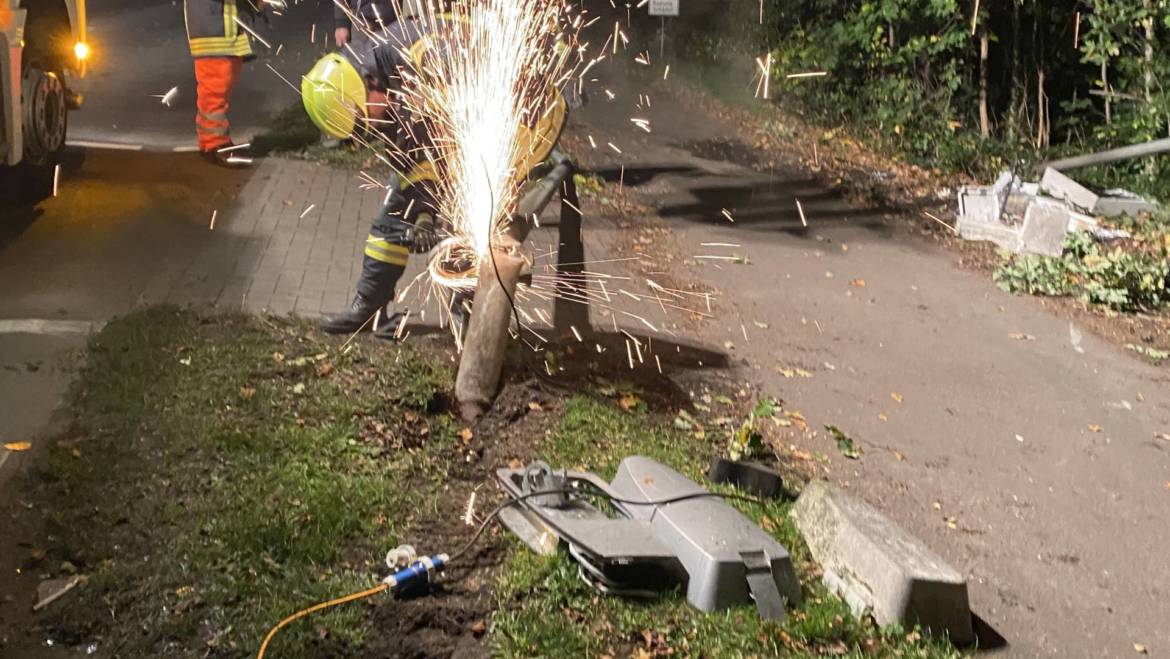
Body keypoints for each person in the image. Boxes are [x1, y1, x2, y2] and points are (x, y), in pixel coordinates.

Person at [300, 8, 567, 338]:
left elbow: (451, 128)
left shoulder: (423, 54)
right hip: (466, 126)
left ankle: (473, 322)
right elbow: (411, 151)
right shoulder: (383, 68)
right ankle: (369, 308)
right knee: (395, 214)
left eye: (363, 120)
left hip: (527, 120)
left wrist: (439, 206)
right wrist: (421, 214)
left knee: (471, 222)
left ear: (366, 84)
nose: (369, 130)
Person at [183, 0, 261, 166]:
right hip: (213, 28)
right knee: (215, 89)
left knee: (222, 86)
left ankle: (210, 142)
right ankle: (214, 144)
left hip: (224, 26)